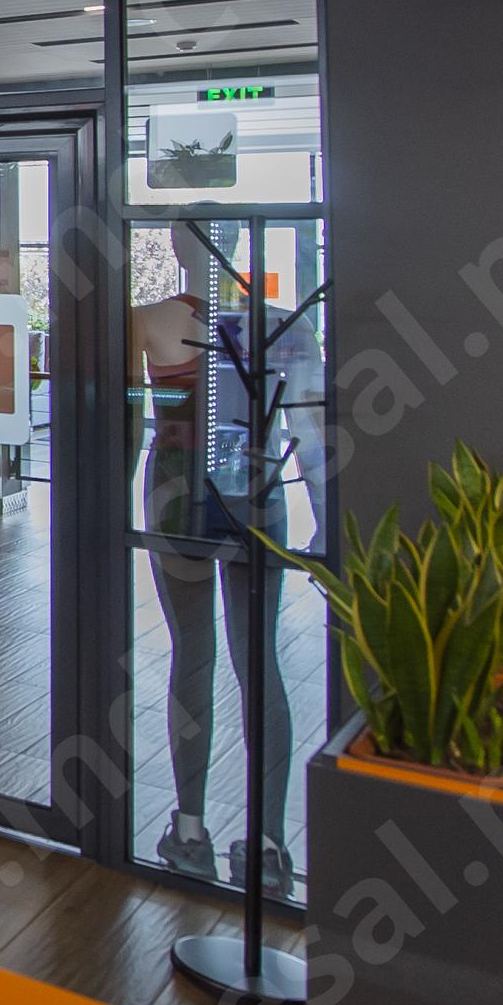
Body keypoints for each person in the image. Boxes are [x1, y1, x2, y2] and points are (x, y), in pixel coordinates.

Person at [131, 285, 296, 893]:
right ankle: (269, 846)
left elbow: (130, 411)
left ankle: (190, 831)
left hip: (178, 490)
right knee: (261, 662)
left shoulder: (148, 318)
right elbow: (308, 424)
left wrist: (107, 505)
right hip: (259, 489)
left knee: (193, 654)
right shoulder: (283, 322)